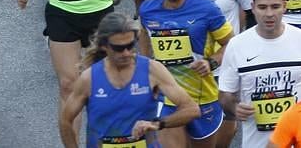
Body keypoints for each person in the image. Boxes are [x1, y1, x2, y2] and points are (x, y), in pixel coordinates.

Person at [58, 13, 200, 148]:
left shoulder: (153, 70)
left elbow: (192, 109)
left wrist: (158, 124)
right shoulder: (89, 78)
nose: (126, 53)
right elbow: (66, 120)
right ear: (104, 46)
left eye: (130, 46)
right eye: (119, 48)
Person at [139, 0, 234, 147]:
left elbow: (231, 43)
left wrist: (211, 62)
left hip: (202, 97)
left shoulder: (207, 9)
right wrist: (146, 66)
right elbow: (144, 35)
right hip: (168, 97)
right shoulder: (147, 10)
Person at [217, 0, 301, 148]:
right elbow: (225, 95)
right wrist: (235, 108)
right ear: (253, 7)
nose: (269, 14)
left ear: (285, 6)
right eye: (262, 7)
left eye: (275, 6)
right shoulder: (237, 45)